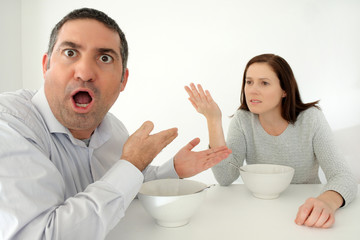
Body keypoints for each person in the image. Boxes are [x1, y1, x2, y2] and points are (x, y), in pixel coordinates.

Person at [0, 8, 232, 239]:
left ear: (123, 80)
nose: (85, 72)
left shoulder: (111, 127)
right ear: (46, 66)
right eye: (70, 52)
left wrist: (173, 169)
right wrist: (131, 162)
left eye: (104, 58)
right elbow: (42, 234)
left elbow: (126, 182)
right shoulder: (10, 125)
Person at [185, 53, 357, 228]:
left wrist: (327, 202)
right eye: (249, 82)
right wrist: (213, 120)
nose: (252, 90)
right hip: (259, 212)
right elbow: (225, 177)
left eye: (264, 83)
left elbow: (343, 176)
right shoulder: (242, 120)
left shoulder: (311, 118)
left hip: (303, 210)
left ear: (285, 90)